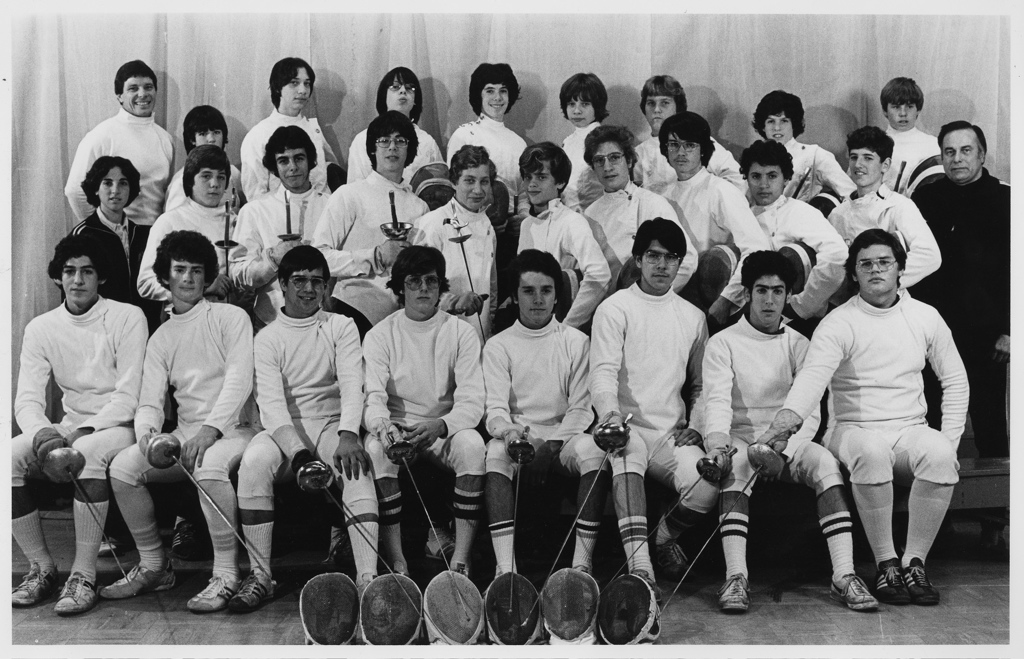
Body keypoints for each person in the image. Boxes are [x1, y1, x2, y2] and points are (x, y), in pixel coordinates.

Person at [758, 229, 968, 606]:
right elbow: (812, 380)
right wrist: (783, 425)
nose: (875, 271)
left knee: (937, 453)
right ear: (854, 273)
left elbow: (955, 380)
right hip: (851, 431)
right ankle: (885, 563)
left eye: (884, 262)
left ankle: (914, 561)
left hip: (908, 432)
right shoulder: (839, 322)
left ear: (900, 269)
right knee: (870, 451)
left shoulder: (925, 317)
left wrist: (950, 442)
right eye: (865, 264)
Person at [702, 251, 877, 613]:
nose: (769, 300)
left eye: (778, 291)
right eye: (761, 290)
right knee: (736, 470)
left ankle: (843, 575)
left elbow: (809, 410)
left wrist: (781, 451)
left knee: (825, 464)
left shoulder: (799, 344)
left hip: (786, 445)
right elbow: (716, 403)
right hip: (740, 439)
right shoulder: (722, 342)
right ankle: (736, 577)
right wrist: (719, 446)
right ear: (748, 293)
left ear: (787, 295)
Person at [100, 230, 256, 613]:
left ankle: (226, 574)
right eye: (180, 270)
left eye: (197, 270)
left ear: (207, 277)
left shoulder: (230, 317)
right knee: (123, 468)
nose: (188, 278)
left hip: (236, 428)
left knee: (209, 464)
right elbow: (149, 401)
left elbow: (239, 380)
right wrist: (146, 436)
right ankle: (154, 564)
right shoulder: (162, 337)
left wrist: (210, 430)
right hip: (189, 431)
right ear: (165, 277)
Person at [231, 246, 374, 611]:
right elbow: (273, 406)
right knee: (253, 463)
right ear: (282, 284)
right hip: (284, 433)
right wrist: (298, 454)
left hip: (332, 424)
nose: (309, 289)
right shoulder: (266, 338)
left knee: (356, 468)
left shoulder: (340, 326)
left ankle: (368, 579)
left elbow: (351, 384)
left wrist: (348, 434)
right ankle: (261, 575)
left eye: (317, 282)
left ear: (326, 287)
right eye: (299, 281)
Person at [12, 235, 148, 615]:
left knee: (85, 454)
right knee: (8, 456)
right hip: (68, 425)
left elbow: (128, 396)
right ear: (59, 277)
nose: (78, 280)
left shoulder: (126, 316)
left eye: (87, 271)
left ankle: (84, 574)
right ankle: (42, 568)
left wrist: (72, 436)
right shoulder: (42, 327)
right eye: (69, 271)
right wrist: (43, 434)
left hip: (118, 424)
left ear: (100, 277)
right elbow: (27, 399)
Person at [589, 219, 717, 599]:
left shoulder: (692, 317)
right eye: (654, 256)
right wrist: (611, 417)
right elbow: (603, 373)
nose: (662, 265)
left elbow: (701, 384)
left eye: (671, 258)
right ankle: (641, 569)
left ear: (680, 263)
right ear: (638, 259)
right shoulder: (614, 309)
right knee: (627, 456)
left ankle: (661, 538)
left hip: (669, 433)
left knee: (707, 486)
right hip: (627, 428)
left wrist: (696, 423)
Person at [912, 121, 1010, 554]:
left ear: (982, 154)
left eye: (965, 150)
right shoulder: (926, 199)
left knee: (988, 423)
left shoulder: (1007, 201)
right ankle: (938, 516)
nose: (957, 159)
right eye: (949, 151)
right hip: (933, 331)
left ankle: (994, 519)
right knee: (929, 420)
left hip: (988, 334)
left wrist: (1011, 329)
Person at [483, 249, 607, 575]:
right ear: (514, 296)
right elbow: (495, 408)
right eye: (528, 291)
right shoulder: (498, 345)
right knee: (494, 453)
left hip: (563, 440)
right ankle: (504, 567)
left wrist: (551, 447)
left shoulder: (576, 342)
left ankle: (582, 564)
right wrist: (513, 437)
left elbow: (581, 408)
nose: (538, 299)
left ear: (556, 297)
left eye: (546, 291)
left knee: (595, 452)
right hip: (517, 439)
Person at [363, 246, 485, 576]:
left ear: (441, 286)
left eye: (431, 280)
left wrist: (441, 426)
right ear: (399, 287)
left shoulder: (462, 332)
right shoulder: (380, 335)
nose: (424, 289)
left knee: (474, 447)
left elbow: (473, 401)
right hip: (399, 429)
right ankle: (397, 558)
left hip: (445, 429)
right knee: (375, 450)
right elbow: (372, 398)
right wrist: (385, 427)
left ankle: (461, 558)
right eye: (414, 281)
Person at [314, 111, 429, 337]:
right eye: (384, 140)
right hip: (354, 310)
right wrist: (375, 256)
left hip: (404, 318)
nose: (392, 147)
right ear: (372, 149)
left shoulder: (419, 206)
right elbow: (319, 257)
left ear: (410, 150)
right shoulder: (350, 195)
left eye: (400, 141)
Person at [659, 111, 770, 328]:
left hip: (707, 296)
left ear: (703, 150)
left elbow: (756, 248)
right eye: (673, 144)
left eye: (689, 145)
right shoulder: (662, 195)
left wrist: (727, 300)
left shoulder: (721, 190)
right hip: (669, 291)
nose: (680, 152)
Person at [232, 126, 331, 329]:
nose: (292, 167)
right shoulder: (255, 211)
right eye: (283, 160)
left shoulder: (332, 206)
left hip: (323, 321)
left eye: (299, 158)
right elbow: (238, 273)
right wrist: (271, 261)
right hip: (270, 321)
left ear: (310, 160)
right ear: (273, 166)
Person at [827, 126, 941, 302]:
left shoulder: (899, 206)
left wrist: (881, 284)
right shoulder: (837, 214)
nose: (858, 165)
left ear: (885, 165)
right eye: (854, 157)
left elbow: (930, 255)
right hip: (848, 304)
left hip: (892, 304)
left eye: (868, 158)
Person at [581, 125, 696, 297]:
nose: (607, 167)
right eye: (599, 160)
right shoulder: (589, 214)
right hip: (606, 304)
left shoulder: (652, 203)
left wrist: (655, 297)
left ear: (628, 161)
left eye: (614, 158)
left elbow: (687, 259)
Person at [740, 140, 847, 322]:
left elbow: (837, 254)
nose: (763, 184)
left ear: (786, 179)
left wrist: (802, 306)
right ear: (747, 178)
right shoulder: (741, 216)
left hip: (796, 321)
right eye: (756, 176)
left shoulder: (798, 211)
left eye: (772, 176)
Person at [64, 59, 174, 226]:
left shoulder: (166, 139)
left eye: (148, 87)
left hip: (155, 238)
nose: (142, 94)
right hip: (117, 239)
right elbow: (75, 191)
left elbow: (167, 195)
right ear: (119, 96)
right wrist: (102, 230)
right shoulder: (102, 136)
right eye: (133, 88)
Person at [516, 142, 610, 330]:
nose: (532, 184)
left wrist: (568, 325)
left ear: (559, 182)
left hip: (559, 326)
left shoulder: (571, 221)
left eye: (541, 177)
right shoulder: (527, 225)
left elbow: (600, 275)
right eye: (528, 177)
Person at [411, 145, 499, 342]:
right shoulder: (433, 223)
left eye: (484, 182)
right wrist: (454, 302)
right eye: (469, 180)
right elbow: (415, 285)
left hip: (479, 335)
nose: (478, 190)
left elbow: (491, 286)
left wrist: (489, 324)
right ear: (454, 182)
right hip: (438, 333)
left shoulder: (487, 225)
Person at [136, 145, 240, 306]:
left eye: (221, 177)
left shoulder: (236, 221)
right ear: (190, 180)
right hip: (183, 318)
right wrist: (203, 287)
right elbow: (146, 283)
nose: (214, 184)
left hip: (230, 317)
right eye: (206, 176)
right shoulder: (170, 221)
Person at [71, 156, 162, 333]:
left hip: (145, 330)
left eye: (123, 183)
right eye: (107, 183)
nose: (116, 190)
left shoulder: (146, 234)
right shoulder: (83, 235)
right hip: (102, 333)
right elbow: (74, 295)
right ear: (96, 189)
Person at [240, 57, 340, 200]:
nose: (303, 90)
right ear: (277, 87)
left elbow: (324, 179)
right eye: (294, 83)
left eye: (307, 84)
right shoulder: (258, 135)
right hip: (279, 214)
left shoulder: (313, 129)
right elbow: (255, 194)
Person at [633, 75, 744, 195]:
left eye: (664, 103)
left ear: (678, 107)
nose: (656, 109)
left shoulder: (696, 142)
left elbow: (736, 179)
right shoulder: (639, 152)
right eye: (651, 103)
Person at [752, 90, 855, 209]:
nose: (776, 127)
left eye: (784, 121)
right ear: (763, 126)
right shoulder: (753, 157)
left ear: (794, 124)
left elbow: (850, 193)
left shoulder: (814, 155)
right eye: (770, 121)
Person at [447, 63, 528, 207]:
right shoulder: (464, 135)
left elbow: (522, 192)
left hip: (513, 224)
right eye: (490, 91)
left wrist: (521, 215)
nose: (497, 97)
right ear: (479, 95)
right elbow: (453, 187)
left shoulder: (519, 143)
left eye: (503, 91)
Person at [346, 67, 444, 184]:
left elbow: (438, 188)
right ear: (384, 96)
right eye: (395, 87)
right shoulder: (363, 139)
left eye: (409, 88)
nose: (403, 91)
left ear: (415, 100)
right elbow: (355, 187)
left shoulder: (427, 142)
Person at [164, 105, 244, 213]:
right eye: (203, 134)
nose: (211, 139)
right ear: (192, 140)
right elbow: (174, 220)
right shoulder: (181, 180)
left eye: (216, 132)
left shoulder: (233, 173)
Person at [879, 77, 942, 197]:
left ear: (918, 109)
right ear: (885, 111)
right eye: (896, 107)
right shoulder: (872, 143)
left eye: (909, 106)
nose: (903, 113)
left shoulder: (933, 145)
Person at [557, 72, 607, 210]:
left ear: (597, 106)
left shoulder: (603, 140)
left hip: (595, 213)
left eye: (584, 104)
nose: (577, 111)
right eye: (571, 104)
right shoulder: (567, 141)